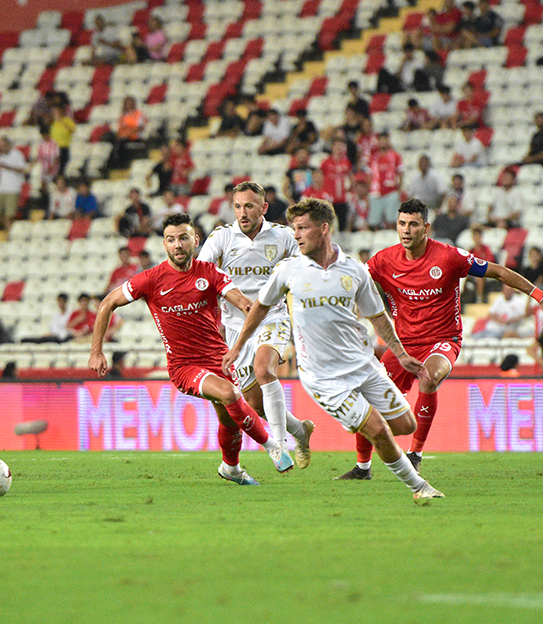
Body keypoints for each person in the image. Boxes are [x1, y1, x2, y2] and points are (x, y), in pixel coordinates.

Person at [222, 198, 443, 498]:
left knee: (406, 425)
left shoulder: (354, 270)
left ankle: (358, 420)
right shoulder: (289, 270)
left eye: (303, 228)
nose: (296, 235)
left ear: (324, 229)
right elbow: (260, 306)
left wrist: (401, 354)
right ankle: (420, 487)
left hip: (364, 366)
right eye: (294, 228)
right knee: (378, 430)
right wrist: (238, 346)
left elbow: (378, 316)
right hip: (323, 377)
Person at [351, 198, 543, 477]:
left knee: (429, 377)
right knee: (370, 396)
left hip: (442, 340)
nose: (406, 230)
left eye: (413, 224)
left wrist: (540, 296)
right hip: (403, 344)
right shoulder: (384, 260)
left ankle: (415, 455)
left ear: (426, 228)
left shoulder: (448, 257)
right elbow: (354, 282)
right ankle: (362, 468)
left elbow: (498, 271)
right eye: (402, 223)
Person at [90, 213, 294, 485]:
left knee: (229, 419)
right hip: (184, 366)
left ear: (196, 241)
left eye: (183, 238)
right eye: (171, 239)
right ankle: (273, 447)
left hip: (219, 360)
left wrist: (265, 335)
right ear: (164, 244)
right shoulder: (151, 279)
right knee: (230, 394)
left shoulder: (210, 273)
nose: (178, 245)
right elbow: (107, 303)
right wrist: (96, 351)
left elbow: (244, 304)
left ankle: (231, 468)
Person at [197, 181, 316, 467]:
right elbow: (201, 275)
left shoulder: (283, 237)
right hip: (235, 327)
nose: (242, 212)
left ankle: (280, 447)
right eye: (237, 206)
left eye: (249, 206)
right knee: (255, 403)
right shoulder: (222, 238)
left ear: (263, 208)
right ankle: (300, 430)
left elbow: (306, 271)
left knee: (264, 370)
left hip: (271, 317)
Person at [0, 137, 27, 232]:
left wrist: (8, 167)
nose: (1, 147)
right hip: (1, 189)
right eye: (0, 146)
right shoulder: (0, 157)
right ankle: (11, 228)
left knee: (9, 216)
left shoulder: (17, 154)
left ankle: (9, 233)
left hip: (13, 189)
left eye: (3, 145)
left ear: (8, 144)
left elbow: (22, 169)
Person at [367, 131, 404, 230]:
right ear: (378, 142)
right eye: (381, 140)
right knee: (374, 222)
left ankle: (392, 238)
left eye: (385, 139)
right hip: (375, 192)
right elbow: (369, 175)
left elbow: (400, 173)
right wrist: (368, 190)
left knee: (392, 220)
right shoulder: (373, 157)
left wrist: (399, 189)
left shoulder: (395, 156)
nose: (383, 142)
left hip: (391, 191)